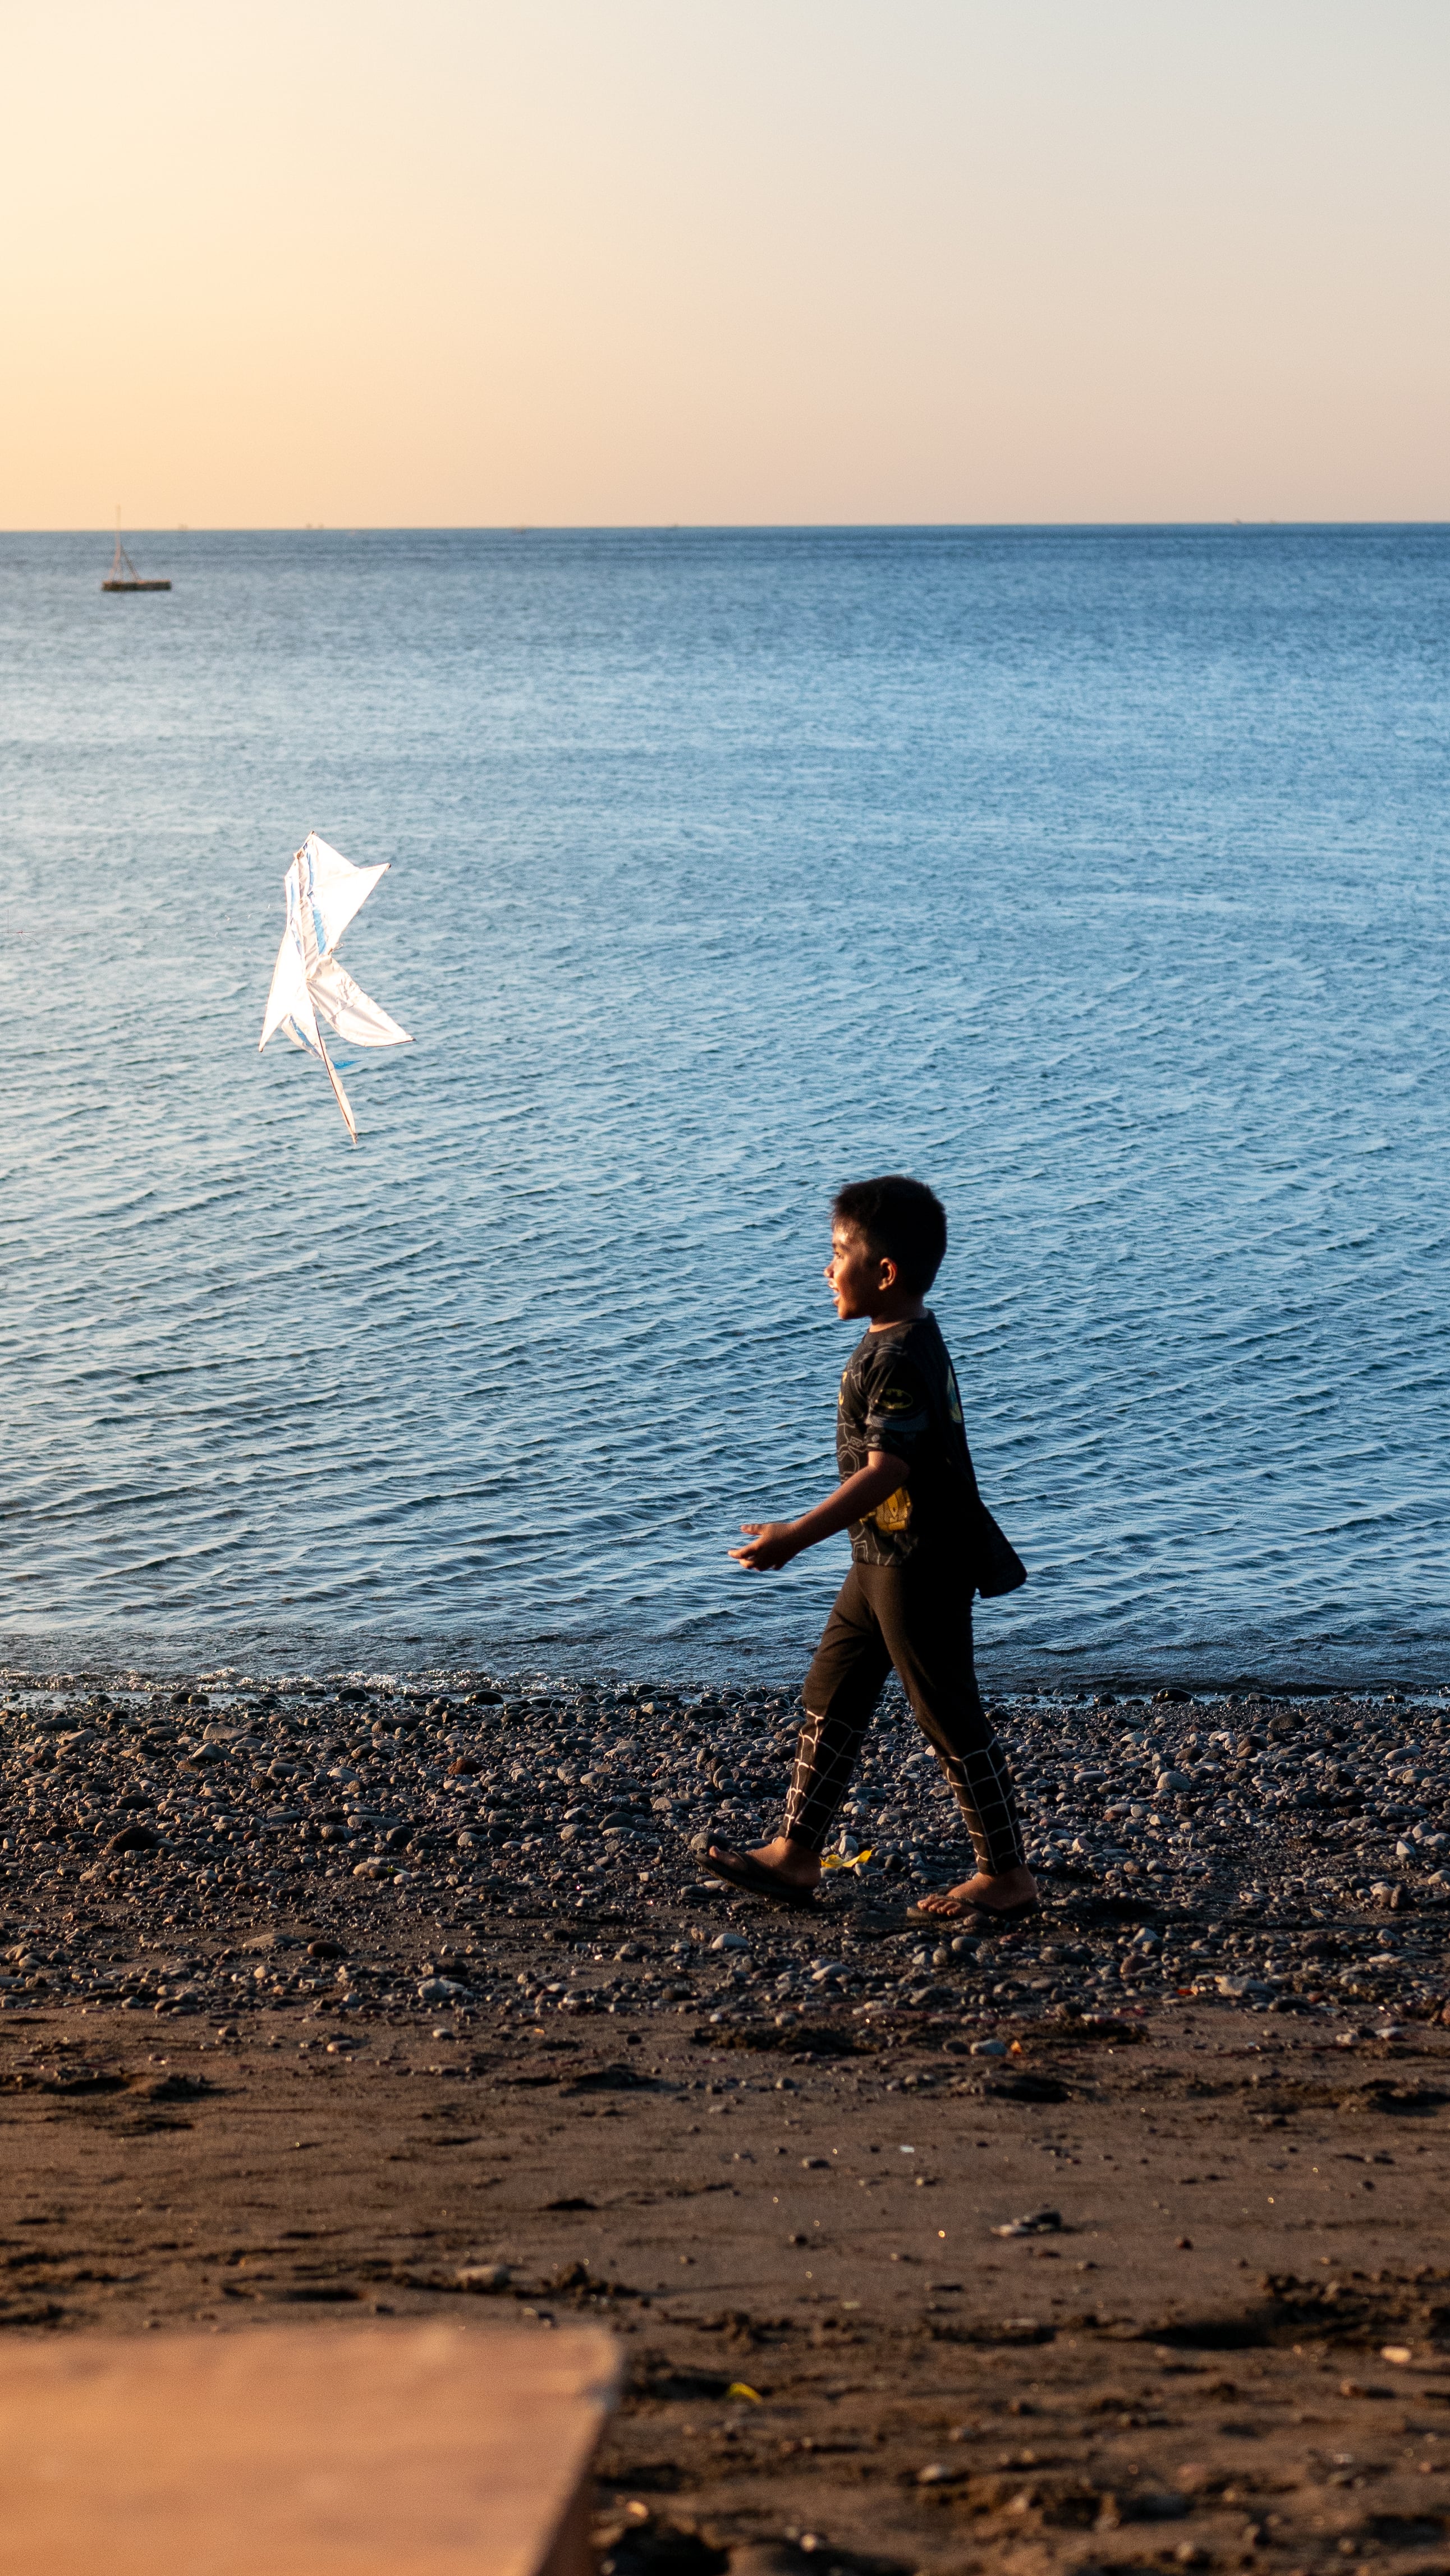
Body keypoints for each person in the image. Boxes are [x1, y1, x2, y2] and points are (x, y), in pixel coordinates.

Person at [708, 1174, 1036, 1925]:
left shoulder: (896, 1359)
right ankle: (795, 1853)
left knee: (947, 1712)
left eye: (838, 1255)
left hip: (920, 1560)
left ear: (884, 1272)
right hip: (879, 1555)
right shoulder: (900, 1335)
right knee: (834, 1691)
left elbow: (890, 1468)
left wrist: (796, 1536)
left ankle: (1006, 1875)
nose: (827, 1269)